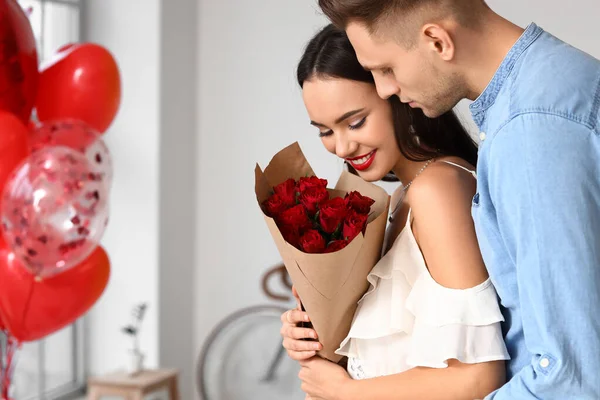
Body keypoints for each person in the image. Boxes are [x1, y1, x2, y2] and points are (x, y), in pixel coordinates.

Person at [313, 1, 600, 399]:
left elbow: (568, 378)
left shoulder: (530, 129)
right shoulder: (549, 89)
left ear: (437, 40)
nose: (385, 90)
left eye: (386, 69)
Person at [280, 24, 510, 400]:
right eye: (324, 131)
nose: (341, 146)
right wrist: (316, 336)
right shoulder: (406, 194)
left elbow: (477, 379)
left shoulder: (437, 191)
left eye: (355, 122)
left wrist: (345, 392)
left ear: (397, 95)